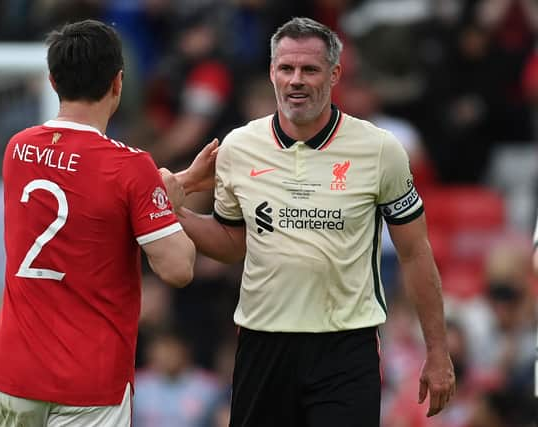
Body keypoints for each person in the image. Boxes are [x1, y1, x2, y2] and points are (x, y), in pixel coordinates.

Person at [172, 17, 455, 426]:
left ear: (335, 74)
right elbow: (232, 243)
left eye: (310, 69)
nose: (296, 80)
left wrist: (438, 350)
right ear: (272, 73)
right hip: (262, 343)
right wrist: (176, 215)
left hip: (346, 349)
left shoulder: (379, 150)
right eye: (286, 69)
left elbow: (415, 253)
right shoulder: (238, 147)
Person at [0, 19, 196, 426]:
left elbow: (81, 203)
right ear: (118, 83)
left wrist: (155, 195)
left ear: (51, 80)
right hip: (89, 383)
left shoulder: (18, 150)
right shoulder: (130, 167)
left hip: (14, 373)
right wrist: (170, 203)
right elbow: (178, 267)